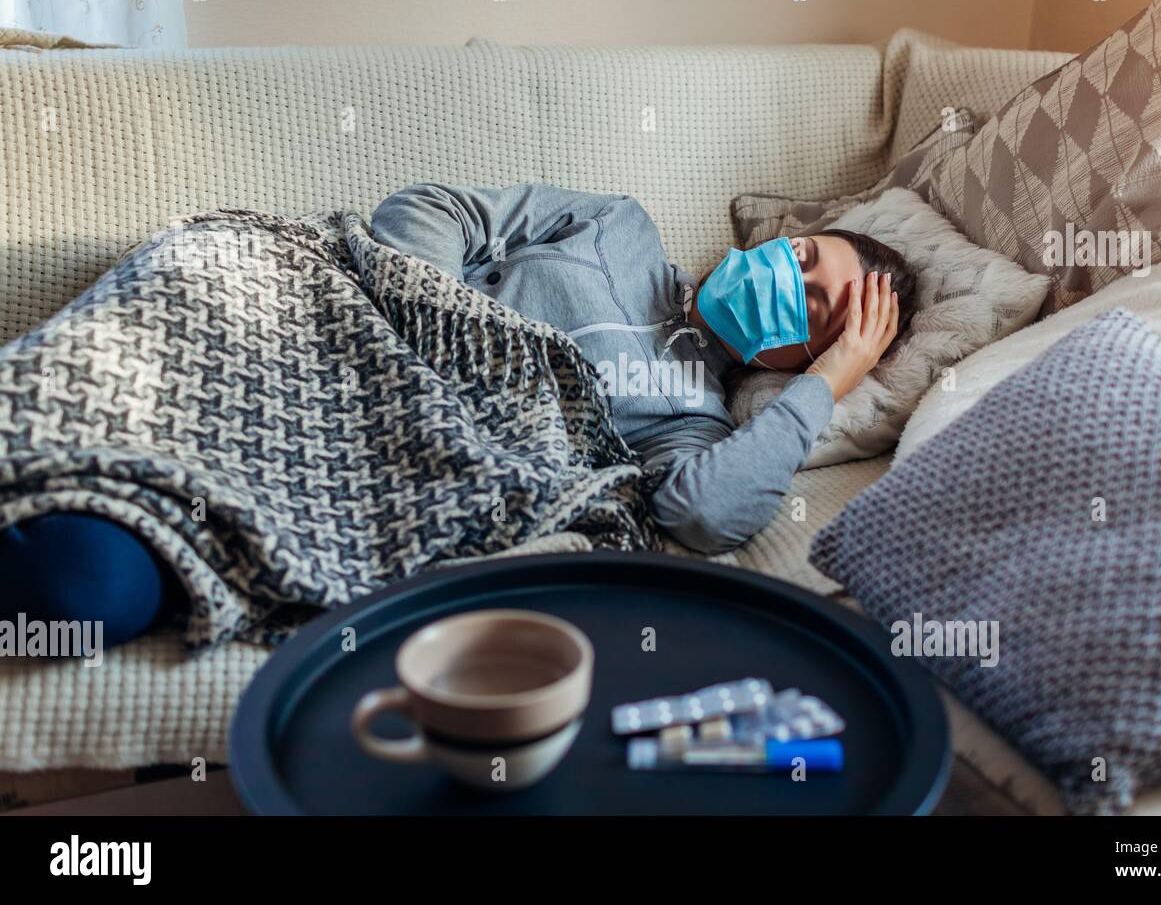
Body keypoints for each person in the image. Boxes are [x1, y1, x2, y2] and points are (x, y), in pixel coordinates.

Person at [0, 183, 915, 648]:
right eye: (801, 258)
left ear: (798, 360)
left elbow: (704, 515)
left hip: (358, 462)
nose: (787, 284)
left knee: (88, 592)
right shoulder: (618, 226)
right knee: (88, 378)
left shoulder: (696, 420)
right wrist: (433, 323)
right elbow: (433, 212)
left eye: (819, 314)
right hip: (300, 316)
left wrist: (831, 384)